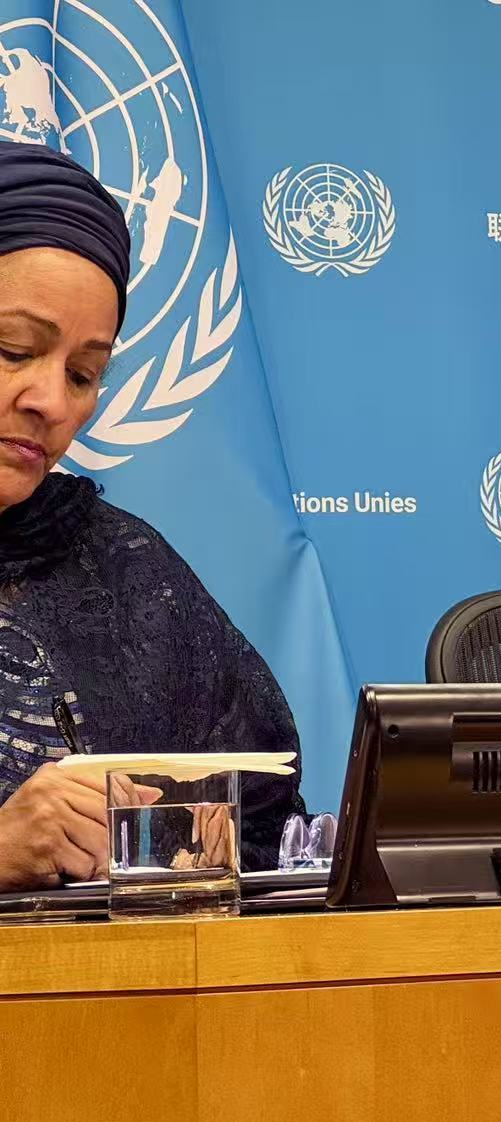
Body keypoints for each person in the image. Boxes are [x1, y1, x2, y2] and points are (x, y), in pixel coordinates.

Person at [0, 141, 303, 889]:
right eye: (13, 349)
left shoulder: (124, 570)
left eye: (83, 374)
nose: (52, 402)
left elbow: (271, 826)